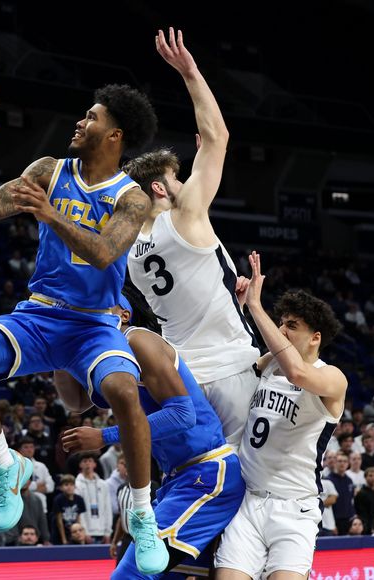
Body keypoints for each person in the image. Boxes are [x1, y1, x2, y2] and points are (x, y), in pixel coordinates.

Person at [0, 50, 167, 573]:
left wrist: (49, 212)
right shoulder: (48, 170)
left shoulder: (132, 199)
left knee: (125, 392)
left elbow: (104, 253)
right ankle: (7, 466)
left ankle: (143, 514)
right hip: (41, 313)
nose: (81, 122)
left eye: (92, 117)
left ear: (114, 136)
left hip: (96, 322)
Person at [123, 28, 259, 450]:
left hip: (185, 379)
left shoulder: (129, 249)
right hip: (233, 369)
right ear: (159, 190)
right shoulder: (183, 216)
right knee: (251, 489)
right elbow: (218, 137)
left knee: (201, 479)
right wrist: (190, 72)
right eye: (175, 178)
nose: (183, 183)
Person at [60, 292, 244, 578]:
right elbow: (76, 401)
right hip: (175, 479)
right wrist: (59, 343)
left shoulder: (137, 340)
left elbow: (183, 415)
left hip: (207, 472)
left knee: (131, 574)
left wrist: (103, 436)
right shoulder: (106, 358)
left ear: (123, 314)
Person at [214, 251, 347, 580]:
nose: (281, 331)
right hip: (248, 501)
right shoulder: (268, 362)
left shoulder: (332, 378)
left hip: (295, 508)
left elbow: (298, 374)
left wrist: (258, 308)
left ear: (315, 338)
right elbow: (228, 369)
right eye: (281, 323)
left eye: (292, 326)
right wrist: (240, 307)